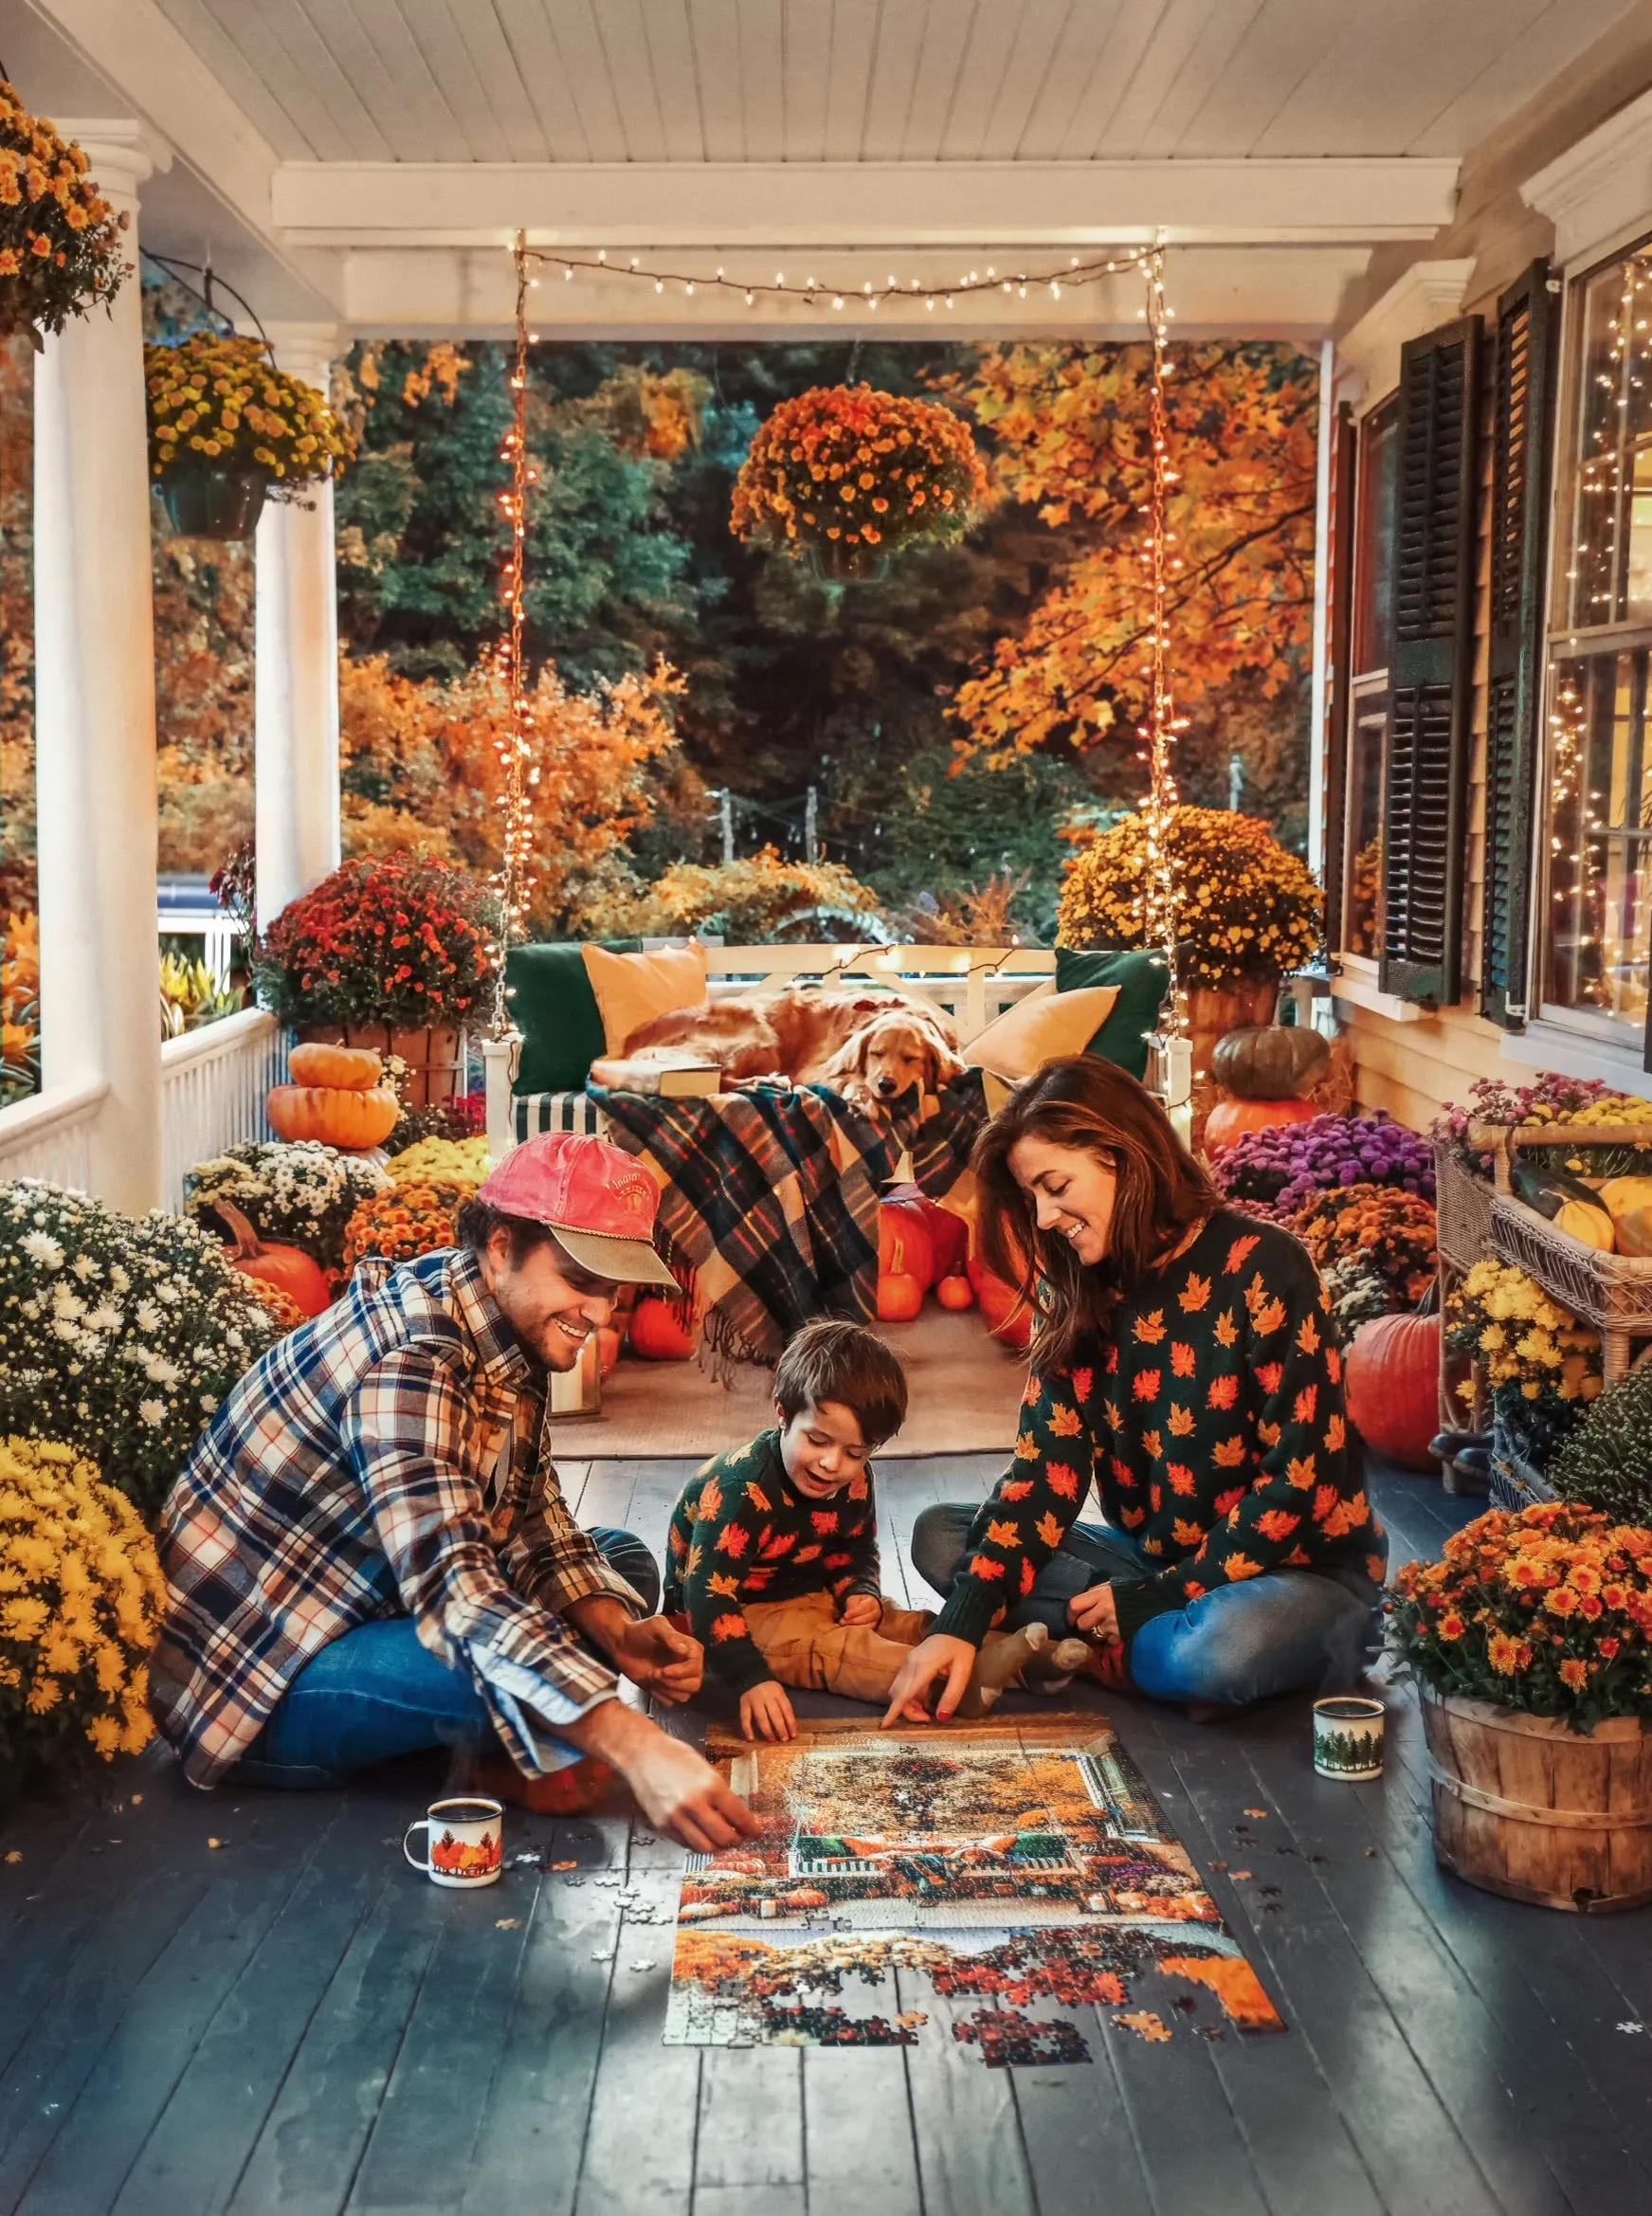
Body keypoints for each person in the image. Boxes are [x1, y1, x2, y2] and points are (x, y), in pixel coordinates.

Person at [151, 1132, 761, 1856]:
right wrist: (639, 1745)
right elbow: (458, 1594)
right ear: (502, 1247)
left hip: (372, 1600)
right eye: (580, 1279)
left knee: (615, 1567)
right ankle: (511, 1750)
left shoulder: (501, 1317)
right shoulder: (412, 1359)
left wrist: (616, 1630)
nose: (600, 1313)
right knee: (514, 1656)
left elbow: (530, 1512)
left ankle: (515, 1738)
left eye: (613, 1290)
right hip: (262, 1679)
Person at [884, 1056, 1388, 1727]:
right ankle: (1136, 1648)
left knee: (1219, 1650)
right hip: (1151, 1563)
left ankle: (1100, 1651)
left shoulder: (1265, 1264)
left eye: (1054, 1186)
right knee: (941, 1538)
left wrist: (1161, 1596)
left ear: (1121, 1154)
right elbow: (1044, 1473)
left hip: (1298, 1573)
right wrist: (960, 1625)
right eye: (1031, 1196)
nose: (1041, 1216)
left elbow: (1303, 1478)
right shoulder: (1075, 1294)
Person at [666, 1317, 1078, 1740]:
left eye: (854, 1452)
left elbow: (856, 1550)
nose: (832, 1464)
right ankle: (952, 1684)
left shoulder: (854, 1480)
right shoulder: (742, 1489)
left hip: (813, 1592)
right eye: (818, 1441)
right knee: (841, 1652)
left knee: (904, 1622)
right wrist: (751, 1679)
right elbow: (707, 1596)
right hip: (733, 1617)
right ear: (783, 1413)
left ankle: (1030, 1661)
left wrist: (859, 1591)